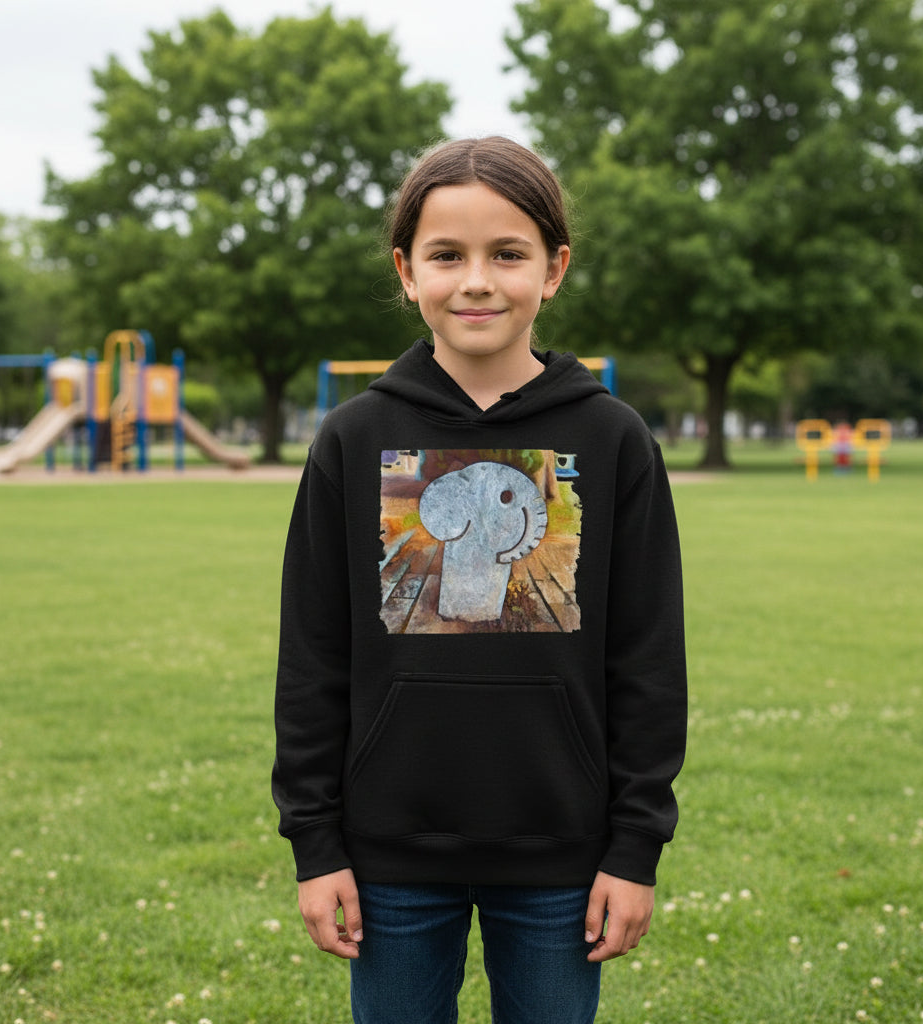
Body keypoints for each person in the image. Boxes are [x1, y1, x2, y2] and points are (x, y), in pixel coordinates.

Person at [272, 136, 687, 1024]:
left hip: (562, 858)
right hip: (387, 856)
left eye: (508, 254)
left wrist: (634, 847)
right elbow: (312, 656)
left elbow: (648, 660)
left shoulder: (614, 441)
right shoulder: (350, 439)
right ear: (406, 270)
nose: (477, 281)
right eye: (446, 255)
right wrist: (315, 842)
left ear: (555, 267)